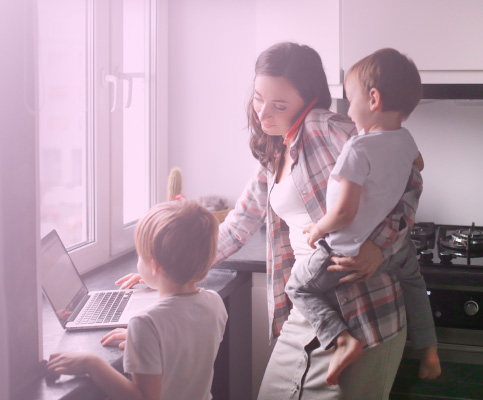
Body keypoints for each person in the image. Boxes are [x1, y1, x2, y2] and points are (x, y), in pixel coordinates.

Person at [116, 42, 423, 400]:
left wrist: (380, 247)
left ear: (309, 101)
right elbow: (238, 224)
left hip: (364, 311)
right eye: (259, 98)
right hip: (309, 309)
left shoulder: (327, 127)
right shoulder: (276, 151)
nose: (263, 114)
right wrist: (166, 267)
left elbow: (410, 176)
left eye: (279, 105)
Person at [284, 48, 440, 386]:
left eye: (349, 98)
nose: (347, 109)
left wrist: (317, 229)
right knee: (415, 283)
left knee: (297, 287)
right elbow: (419, 168)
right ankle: (429, 349)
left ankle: (342, 341)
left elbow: (344, 213)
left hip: (345, 250)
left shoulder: (356, 148)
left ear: (373, 99)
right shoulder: (406, 140)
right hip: (392, 250)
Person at [47, 200, 228, 400]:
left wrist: (93, 364)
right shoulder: (215, 303)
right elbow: (184, 341)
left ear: (156, 266)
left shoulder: (145, 323)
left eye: (139, 254)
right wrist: (145, 341)